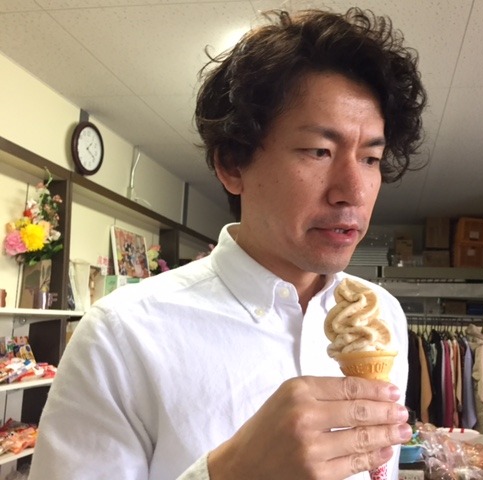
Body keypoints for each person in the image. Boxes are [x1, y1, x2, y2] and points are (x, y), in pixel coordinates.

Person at [29, 7, 426, 480]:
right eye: (319, 151)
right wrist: (229, 471)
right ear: (233, 165)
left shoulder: (382, 317)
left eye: (371, 158)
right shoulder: (122, 335)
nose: (353, 192)